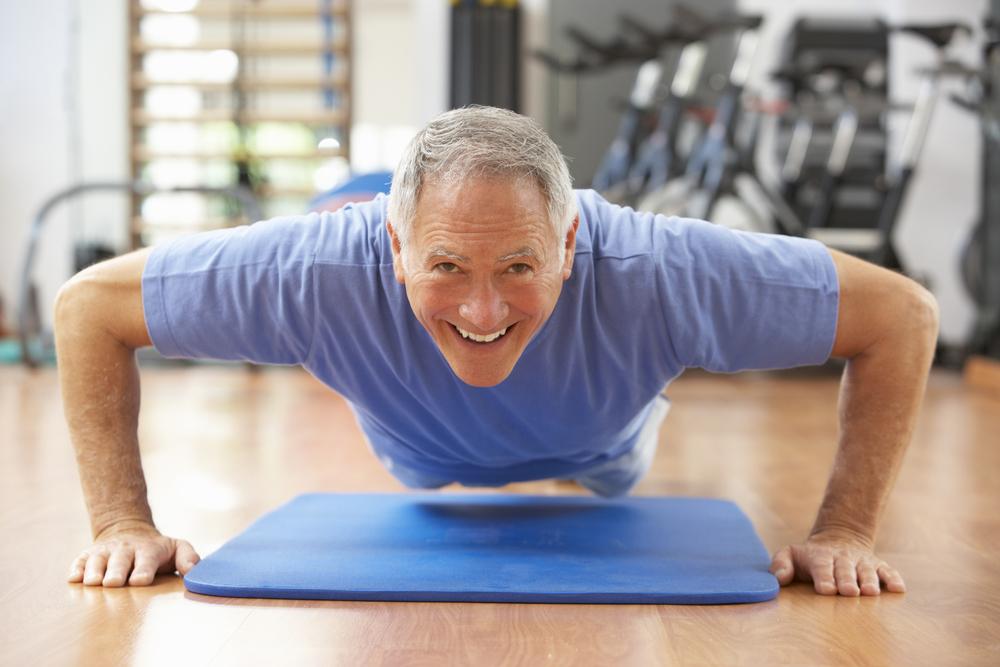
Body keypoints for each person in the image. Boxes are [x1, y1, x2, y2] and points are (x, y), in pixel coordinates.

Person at [56, 106, 938, 596]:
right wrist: (121, 522)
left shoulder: (662, 270)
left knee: (612, 464)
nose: (484, 306)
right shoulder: (313, 269)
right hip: (419, 453)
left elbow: (899, 315)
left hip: (603, 445)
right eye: (445, 264)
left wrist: (846, 531)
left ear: (570, 240)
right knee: (429, 464)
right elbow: (90, 306)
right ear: (394, 247)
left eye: (520, 263)